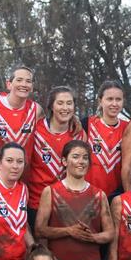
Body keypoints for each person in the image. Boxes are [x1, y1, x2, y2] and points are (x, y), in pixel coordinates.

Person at [34, 140, 113, 260]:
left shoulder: (99, 195)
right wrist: (69, 231)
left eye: (85, 157)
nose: (81, 161)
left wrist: (93, 238)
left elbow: (110, 233)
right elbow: (39, 230)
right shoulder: (50, 192)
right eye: (76, 156)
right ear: (64, 161)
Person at [27, 86, 84, 229]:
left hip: (67, 204)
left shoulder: (79, 134)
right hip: (36, 201)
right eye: (60, 103)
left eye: (69, 103)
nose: (65, 108)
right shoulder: (35, 129)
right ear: (51, 106)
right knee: (40, 248)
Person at [83, 80, 128, 200]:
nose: (114, 103)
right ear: (100, 101)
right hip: (88, 194)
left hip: (116, 196)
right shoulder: (86, 124)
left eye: (118, 99)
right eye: (109, 99)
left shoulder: (129, 127)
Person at [0, 65, 44, 158]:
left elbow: (52, 126)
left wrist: (73, 119)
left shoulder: (36, 109)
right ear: (9, 84)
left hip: (24, 170)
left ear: (31, 87)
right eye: (19, 80)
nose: (24, 84)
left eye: (28, 81)